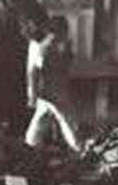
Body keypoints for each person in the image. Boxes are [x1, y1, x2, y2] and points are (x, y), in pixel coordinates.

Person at [24, 15, 78, 150]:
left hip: (48, 90)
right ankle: (77, 147)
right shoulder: (50, 46)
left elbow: (34, 71)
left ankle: (30, 144)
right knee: (67, 121)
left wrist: (33, 94)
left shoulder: (47, 45)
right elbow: (37, 70)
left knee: (41, 119)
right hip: (54, 90)